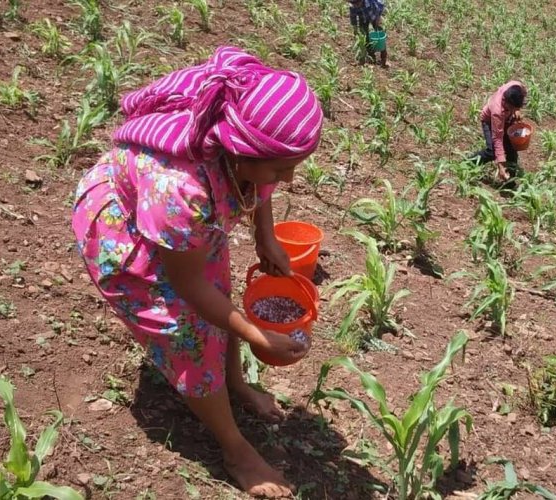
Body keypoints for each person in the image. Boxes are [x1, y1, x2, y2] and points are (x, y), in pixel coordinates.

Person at [72, 46, 324, 498]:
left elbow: (261, 182)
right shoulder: (181, 189)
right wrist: (254, 334)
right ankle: (234, 448)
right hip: (124, 229)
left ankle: (234, 383)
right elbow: (187, 284)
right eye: (282, 169)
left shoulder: (243, 146)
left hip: (184, 227)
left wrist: (265, 235)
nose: (287, 180)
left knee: (220, 290)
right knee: (185, 329)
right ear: (240, 152)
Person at [472, 80, 527, 184]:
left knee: (512, 148)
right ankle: (467, 164)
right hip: (489, 121)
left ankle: (510, 181)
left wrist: (517, 109)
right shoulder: (497, 111)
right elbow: (497, 139)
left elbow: (524, 94)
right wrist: (501, 165)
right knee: (492, 151)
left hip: (506, 119)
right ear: (506, 102)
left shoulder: (517, 87)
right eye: (512, 107)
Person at [349, 0, 388, 67]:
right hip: (363, 19)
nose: (356, 5)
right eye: (354, 4)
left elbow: (380, 6)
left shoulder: (370, 2)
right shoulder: (353, 6)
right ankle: (372, 58)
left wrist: (378, 18)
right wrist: (355, 29)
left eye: (357, 3)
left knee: (380, 35)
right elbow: (353, 17)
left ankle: (383, 59)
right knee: (365, 38)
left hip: (374, 16)